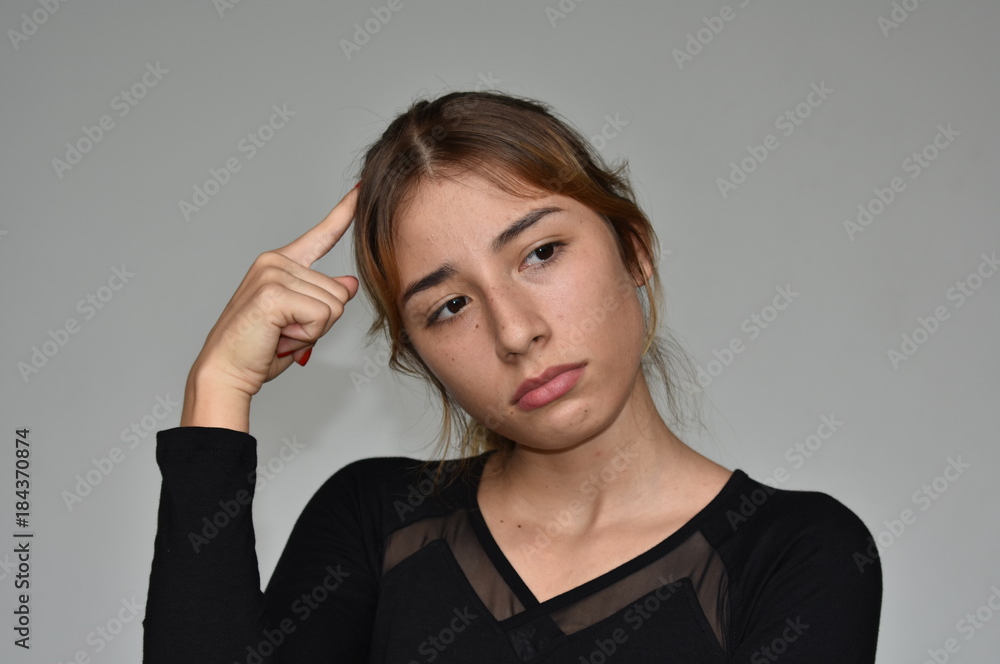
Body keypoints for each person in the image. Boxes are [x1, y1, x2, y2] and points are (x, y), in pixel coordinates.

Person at [143, 91, 882, 662]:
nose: (516, 331)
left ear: (633, 248)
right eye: (450, 306)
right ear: (418, 354)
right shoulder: (374, 525)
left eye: (540, 253)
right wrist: (218, 390)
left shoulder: (799, 553)